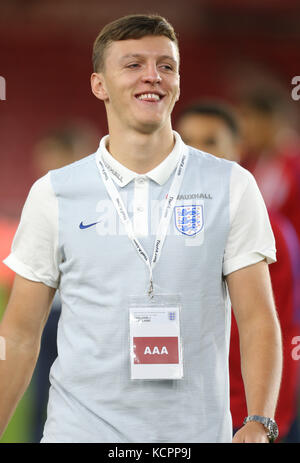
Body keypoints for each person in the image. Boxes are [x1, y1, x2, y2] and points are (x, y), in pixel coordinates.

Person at [0, 14, 282, 443]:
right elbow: (19, 333)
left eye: (166, 66)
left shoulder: (231, 185)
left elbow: (258, 317)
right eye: (133, 64)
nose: (153, 76)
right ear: (99, 85)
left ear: (178, 82)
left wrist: (260, 422)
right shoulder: (55, 193)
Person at [176, 100, 300, 442]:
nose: (196, 153)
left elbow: (278, 327)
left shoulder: (269, 230)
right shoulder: (161, 222)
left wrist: (266, 419)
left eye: (210, 142)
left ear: (238, 150)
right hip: (173, 410)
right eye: (186, 141)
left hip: (237, 415)